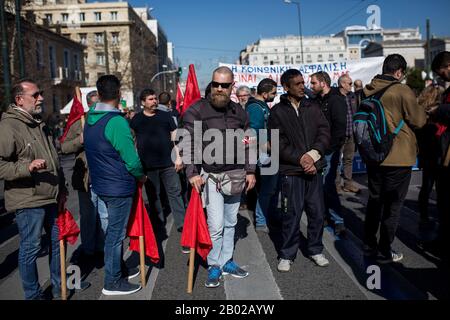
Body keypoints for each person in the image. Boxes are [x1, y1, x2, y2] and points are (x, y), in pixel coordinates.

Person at [182, 66, 256, 288]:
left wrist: (250, 170)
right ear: (211, 84)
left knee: (231, 222)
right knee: (215, 225)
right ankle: (214, 264)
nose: (220, 89)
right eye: (216, 84)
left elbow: (248, 142)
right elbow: (189, 143)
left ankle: (226, 261)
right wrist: (192, 173)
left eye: (225, 85)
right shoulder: (196, 111)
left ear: (232, 86)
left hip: (236, 176)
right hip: (211, 177)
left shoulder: (240, 112)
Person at [0, 79, 67, 299]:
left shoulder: (39, 122)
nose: (41, 98)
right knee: (30, 249)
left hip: (51, 195)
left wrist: (62, 187)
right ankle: (33, 295)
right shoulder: (8, 126)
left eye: (40, 94)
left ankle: (59, 286)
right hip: (28, 200)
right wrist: (27, 167)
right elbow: (2, 166)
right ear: (19, 99)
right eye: (36, 95)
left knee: (58, 243)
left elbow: (54, 158)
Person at [84, 75, 147, 295]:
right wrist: (141, 176)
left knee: (110, 232)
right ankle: (112, 281)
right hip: (118, 187)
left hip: (101, 185)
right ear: (118, 94)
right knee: (115, 235)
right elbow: (132, 160)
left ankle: (117, 269)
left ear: (99, 94)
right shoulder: (117, 122)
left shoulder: (91, 117)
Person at [362, 54, 426, 263]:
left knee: (374, 201)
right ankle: (385, 250)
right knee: (393, 206)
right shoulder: (401, 90)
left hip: (373, 155)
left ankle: (369, 245)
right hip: (398, 156)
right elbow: (418, 120)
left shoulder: (367, 90)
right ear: (399, 72)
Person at [268, 69, 331, 272]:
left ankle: (315, 249)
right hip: (292, 171)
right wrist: (300, 159)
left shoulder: (312, 106)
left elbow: (324, 131)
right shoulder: (277, 111)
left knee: (317, 212)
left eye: (303, 82)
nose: (302, 86)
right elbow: (277, 142)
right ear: (286, 87)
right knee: (291, 214)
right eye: (297, 83)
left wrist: (313, 155)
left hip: (314, 168)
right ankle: (287, 254)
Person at [60, 90, 108, 266]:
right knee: (88, 216)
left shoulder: (108, 120)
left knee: (105, 215)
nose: (97, 107)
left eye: (99, 102)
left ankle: (103, 248)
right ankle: (88, 249)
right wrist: (79, 140)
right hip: (85, 178)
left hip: (104, 176)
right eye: (94, 103)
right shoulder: (78, 123)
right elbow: (63, 147)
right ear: (89, 104)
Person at [130, 89, 186, 235]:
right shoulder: (136, 119)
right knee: (154, 196)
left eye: (155, 98)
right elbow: (131, 140)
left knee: (175, 193)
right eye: (150, 99)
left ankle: (182, 224)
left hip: (168, 163)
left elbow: (175, 137)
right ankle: (158, 226)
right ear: (143, 102)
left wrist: (178, 157)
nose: (154, 101)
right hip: (148, 166)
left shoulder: (165, 116)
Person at [310, 71, 347, 236]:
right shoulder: (317, 100)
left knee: (328, 185)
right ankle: (323, 216)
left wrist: (329, 149)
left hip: (329, 151)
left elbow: (340, 128)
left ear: (323, 83)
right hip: (318, 150)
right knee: (319, 186)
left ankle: (338, 220)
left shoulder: (336, 100)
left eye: (313, 83)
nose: (311, 86)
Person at [422, 51, 450, 259]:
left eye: (441, 72)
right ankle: (442, 239)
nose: (441, 77)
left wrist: (438, 110)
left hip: (445, 151)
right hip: (442, 151)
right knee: (441, 198)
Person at [246, 78, 278, 233]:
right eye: (273, 92)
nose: (275, 95)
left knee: (271, 188)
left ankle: (267, 216)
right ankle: (261, 220)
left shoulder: (260, 106)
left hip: (266, 152)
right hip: (264, 154)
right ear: (264, 94)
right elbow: (254, 132)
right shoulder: (255, 108)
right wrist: (269, 147)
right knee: (267, 188)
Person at [415, 85, 444, 224]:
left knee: (426, 186)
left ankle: (423, 215)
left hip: (426, 153)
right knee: (440, 188)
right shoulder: (440, 111)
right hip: (439, 153)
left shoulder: (420, 110)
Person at [336, 75, 360, 194]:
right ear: (342, 84)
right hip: (339, 134)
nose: (351, 86)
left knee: (348, 159)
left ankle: (348, 183)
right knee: (336, 160)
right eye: (349, 83)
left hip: (351, 133)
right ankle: (336, 184)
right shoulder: (335, 97)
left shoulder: (352, 96)